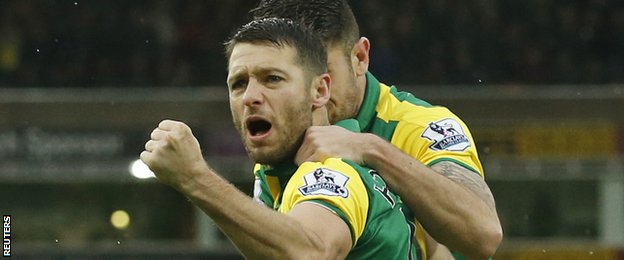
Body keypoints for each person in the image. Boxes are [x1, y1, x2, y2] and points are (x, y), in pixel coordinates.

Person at [141, 17, 428, 259]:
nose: (251, 97)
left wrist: (195, 178)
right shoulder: (276, 175)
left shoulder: (335, 170)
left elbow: (311, 252)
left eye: (273, 79)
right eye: (239, 84)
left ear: (319, 91)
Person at [249, 0, 503, 259]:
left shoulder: (420, 126)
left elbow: (484, 234)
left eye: (323, 73)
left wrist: (370, 149)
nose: (313, 94)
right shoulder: (282, 142)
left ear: (360, 58)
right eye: (282, 77)